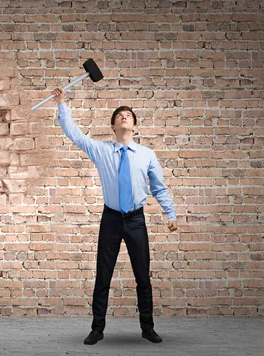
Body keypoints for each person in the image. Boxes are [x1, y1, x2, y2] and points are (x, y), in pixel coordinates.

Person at [52, 88, 178, 344]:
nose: (123, 117)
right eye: (119, 115)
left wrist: (170, 212)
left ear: (134, 127)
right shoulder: (101, 151)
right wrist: (61, 104)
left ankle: (147, 327)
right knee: (103, 276)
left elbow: (158, 187)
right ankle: (97, 329)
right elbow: (74, 134)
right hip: (110, 219)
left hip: (135, 220)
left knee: (142, 276)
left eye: (128, 115)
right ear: (112, 126)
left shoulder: (147, 155)